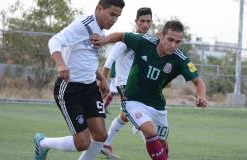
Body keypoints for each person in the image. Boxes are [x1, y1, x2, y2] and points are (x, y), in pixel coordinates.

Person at [92, 20, 207, 160]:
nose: (173, 45)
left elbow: (198, 82)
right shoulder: (144, 41)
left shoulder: (180, 58)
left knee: (162, 143)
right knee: (149, 131)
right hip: (132, 99)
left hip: (156, 104)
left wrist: (201, 96)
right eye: (170, 40)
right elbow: (121, 36)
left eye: (178, 42)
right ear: (161, 35)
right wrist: (104, 40)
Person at [33, 0, 125, 160]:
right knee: (83, 142)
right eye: (112, 14)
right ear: (99, 8)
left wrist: (101, 78)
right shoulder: (84, 25)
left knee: (101, 135)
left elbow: (85, 58)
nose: (114, 19)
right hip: (69, 88)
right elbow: (54, 41)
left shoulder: (100, 32)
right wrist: (61, 64)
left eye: (117, 16)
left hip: (90, 88)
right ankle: (43, 143)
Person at [100, 7, 153, 159]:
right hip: (124, 84)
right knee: (141, 117)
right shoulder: (127, 39)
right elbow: (109, 60)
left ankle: (106, 143)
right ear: (136, 21)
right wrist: (102, 80)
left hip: (137, 86)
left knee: (126, 116)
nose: (145, 24)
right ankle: (156, 152)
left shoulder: (148, 42)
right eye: (142, 21)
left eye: (148, 21)